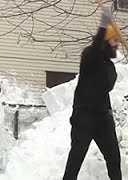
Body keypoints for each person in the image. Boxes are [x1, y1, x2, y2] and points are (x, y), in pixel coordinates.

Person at [63, 10, 122, 180]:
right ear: (105, 40)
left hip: (103, 116)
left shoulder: (109, 65)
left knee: (113, 159)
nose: (117, 44)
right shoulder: (90, 55)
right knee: (76, 158)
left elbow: (107, 85)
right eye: (114, 39)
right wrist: (104, 25)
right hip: (84, 116)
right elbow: (96, 48)